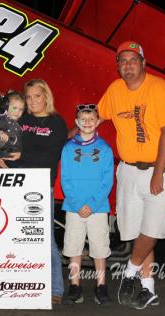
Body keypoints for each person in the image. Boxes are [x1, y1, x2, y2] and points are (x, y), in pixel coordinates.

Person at [98, 41, 165, 309]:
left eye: (133, 60)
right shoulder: (115, 90)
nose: (128, 65)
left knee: (154, 227)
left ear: (144, 63)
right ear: (118, 67)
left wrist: (158, 174)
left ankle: (130, 272)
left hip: (160, 167)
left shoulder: (158, 88)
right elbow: (96, 117)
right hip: (129, 169)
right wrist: (70, 134)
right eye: (122, 61)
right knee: (138, 229)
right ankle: (148, 289)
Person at [18, 79, 68, 304]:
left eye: (37, 96)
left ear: (46, 96)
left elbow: (49, 159)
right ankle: (21, 284)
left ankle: (56, 288)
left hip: (41, 187)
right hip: (16, 184)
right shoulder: (21, 119)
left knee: (45, 237)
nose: (32, 101)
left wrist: (17, 160)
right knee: (18, 237)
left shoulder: (57, 123)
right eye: (28, 97)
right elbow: (8, 150)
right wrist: (7, 162)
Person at [61, 104, 114, 305]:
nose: (87, 123)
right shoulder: (68, 148)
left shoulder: (105, 148)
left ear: (97, 121)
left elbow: (107, 181)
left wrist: (91, 204)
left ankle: (101, 285)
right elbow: (65, 179)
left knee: (99, 248)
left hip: (98, 208)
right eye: (83, 119)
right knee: (74, 248)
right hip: (74, 207)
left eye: (91, 119)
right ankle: (75, 286)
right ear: (76, 123)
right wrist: (77, 204)